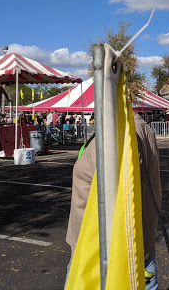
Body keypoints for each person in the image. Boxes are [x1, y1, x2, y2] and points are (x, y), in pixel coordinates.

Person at [65, 113, 162, 289]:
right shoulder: (138, 127)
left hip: (99, 250)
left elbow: (116, 196)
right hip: (138, 242)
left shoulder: (118, 133)